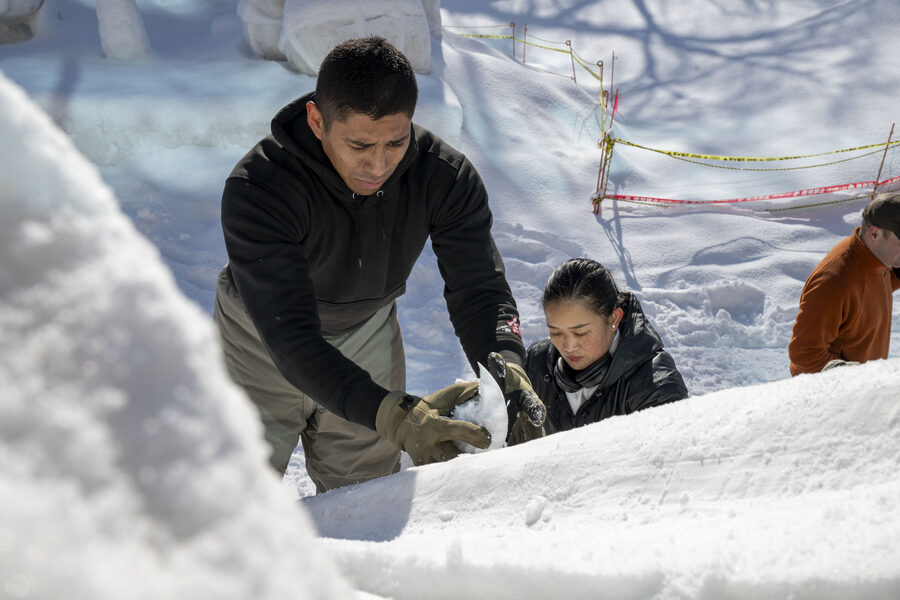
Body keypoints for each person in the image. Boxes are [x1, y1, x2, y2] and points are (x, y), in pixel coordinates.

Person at [212, 36, 544, 493]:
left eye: (396, 141)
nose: (379, 164)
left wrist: (506, 366)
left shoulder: (444, 177)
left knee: (366, 495)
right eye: (360, 144)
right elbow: (291, 338)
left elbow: (480, 288)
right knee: (233, 492)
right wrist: (393, 413)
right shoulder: (260, 189)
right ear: (316, 120)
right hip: (259, 336)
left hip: (366, 330)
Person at [521, 258, 687, 436]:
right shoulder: (536, 364)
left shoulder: (657, 387)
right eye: (556, 333)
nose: (568, 346)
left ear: (614, 318)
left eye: (581, 333)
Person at [789, 192, 900, 375]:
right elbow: (804, 353)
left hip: (865, 388)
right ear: (875, 233)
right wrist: (854, 378)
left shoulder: (877, 258)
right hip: (837, 395)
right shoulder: (834, 282)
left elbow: (881, 284)